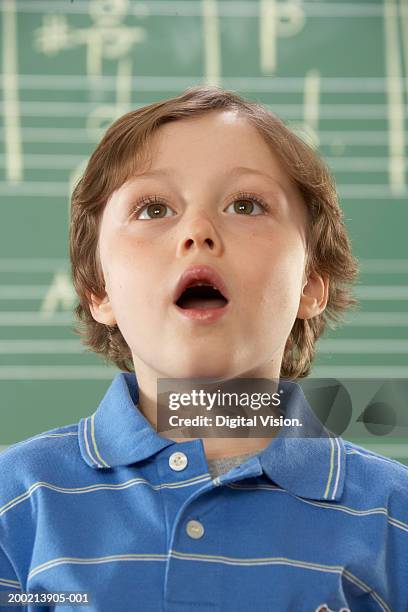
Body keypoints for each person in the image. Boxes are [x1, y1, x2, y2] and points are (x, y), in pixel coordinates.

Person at [0, 86, 407, 612]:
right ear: (99, 290)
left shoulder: (393, 516)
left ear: (310, 283)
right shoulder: (15, 501)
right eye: (152, 208)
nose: (198, 232)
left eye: (246, 204)